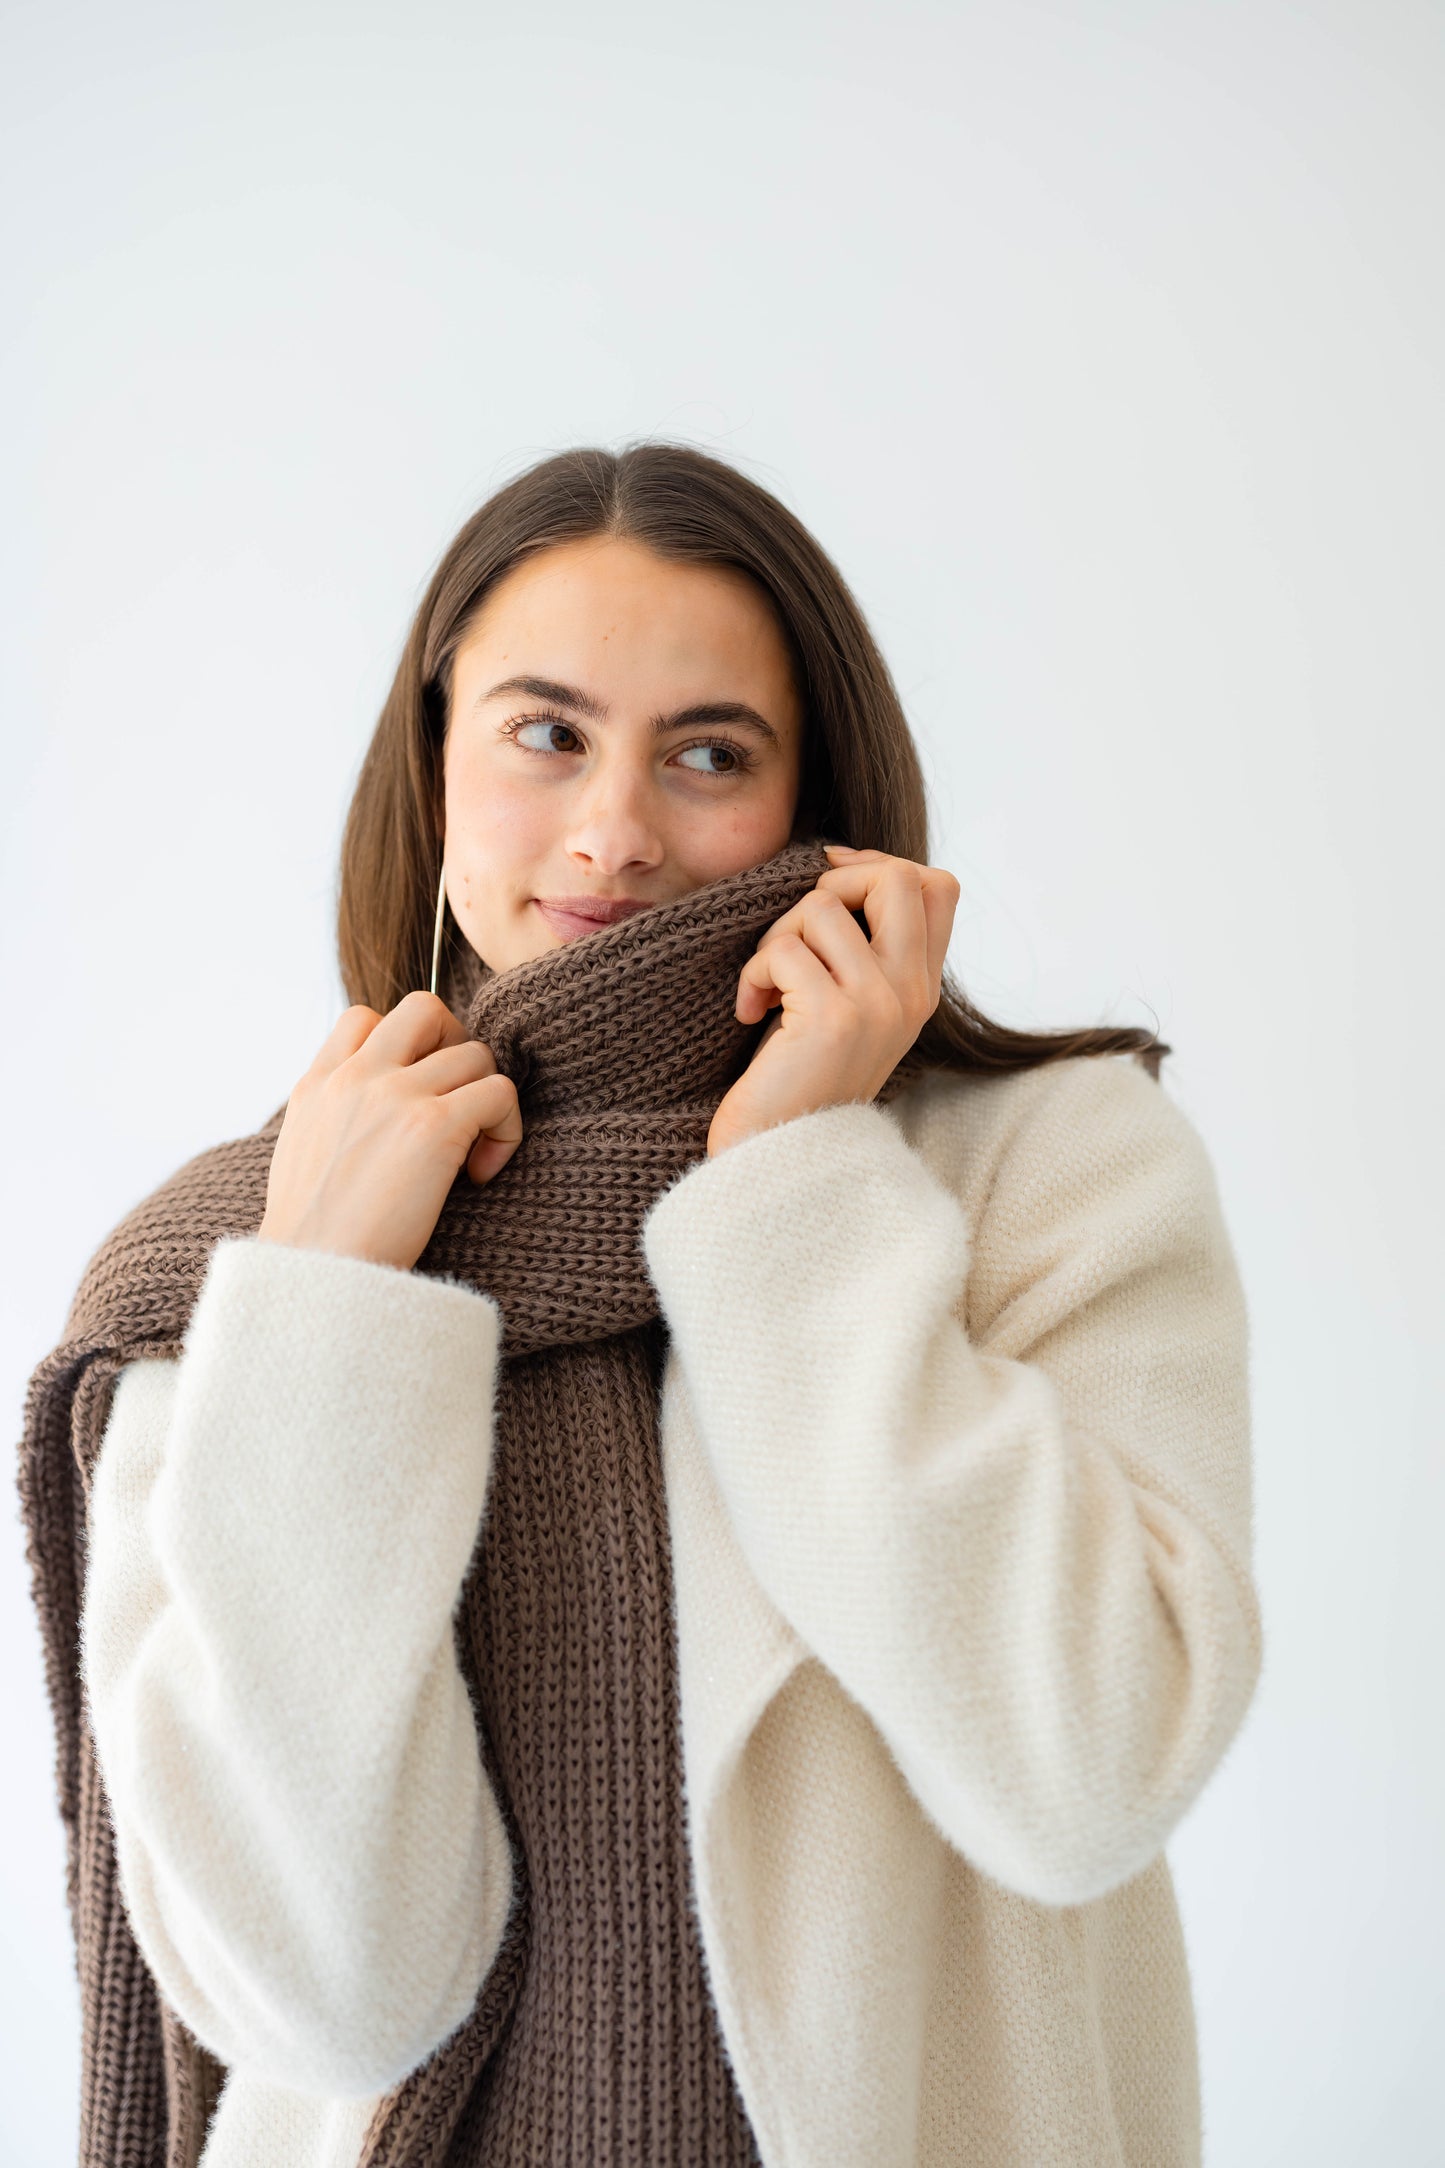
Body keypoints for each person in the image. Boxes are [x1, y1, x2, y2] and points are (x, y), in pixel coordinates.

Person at [19, 441, 1262, 2168]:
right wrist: (321, 1306)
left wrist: (796, 1191)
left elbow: (1082, 1776)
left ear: (819, 799)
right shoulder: (249, 1257)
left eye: (706, 753)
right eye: (546, 734)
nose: (614, 830)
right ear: (435, 763)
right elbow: (319, 1999)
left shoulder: (1042, 1177)